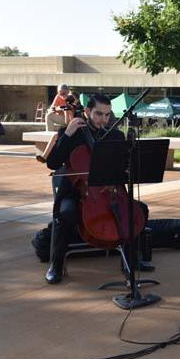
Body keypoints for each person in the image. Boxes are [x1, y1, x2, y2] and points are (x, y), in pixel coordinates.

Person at [44, 94, 123, 284]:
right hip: (74, 192)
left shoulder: (114, 135)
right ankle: (56, 265)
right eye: (98, 114)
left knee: (133, 210)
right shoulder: (71, 133)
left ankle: (132, 261)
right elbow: (52, 163)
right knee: (66, 215)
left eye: (107, 115)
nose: (103, 119)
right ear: (86, 112)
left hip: (105, 193)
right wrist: (67, 135)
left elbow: (122, 166)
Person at [36, 90, 83, 163]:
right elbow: (67, 123)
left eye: (72, 97)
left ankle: (49, 157)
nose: (69, 98)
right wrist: (66, 111)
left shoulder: (79, 108)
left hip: (78, 132)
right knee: (55, 136)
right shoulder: (68, 107)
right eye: (69, 96)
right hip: (71, 130)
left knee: (58, 137)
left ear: (77, 99)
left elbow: (74, 123)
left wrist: (69, 110)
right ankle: (44, 157)